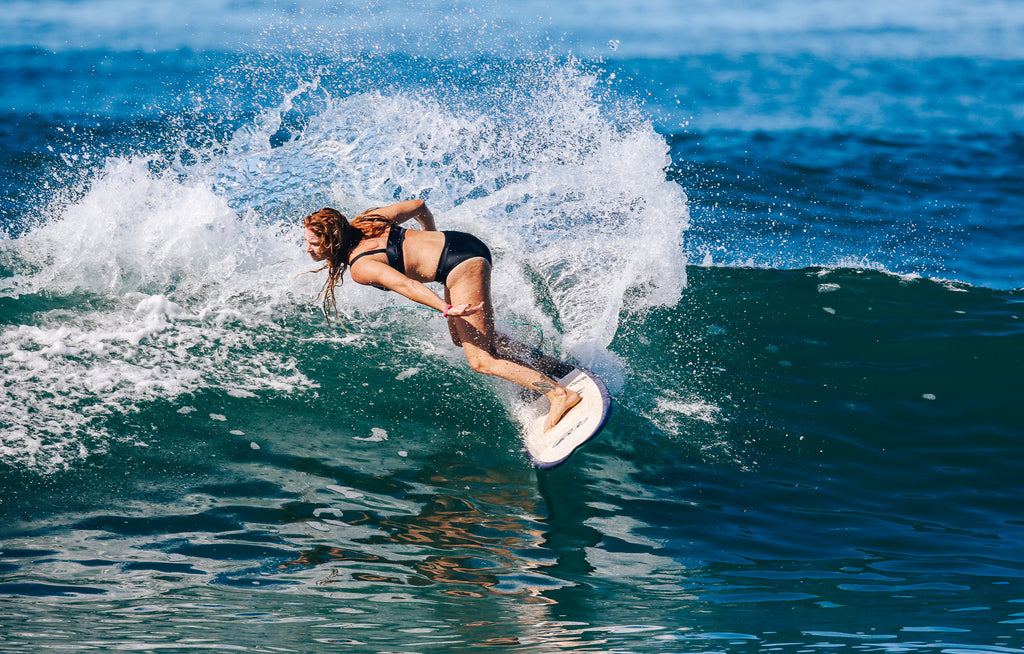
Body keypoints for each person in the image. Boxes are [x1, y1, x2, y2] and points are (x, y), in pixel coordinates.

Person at [302, 200, 581, 431]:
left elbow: (406, 285)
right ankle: (547, 363)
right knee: (465, 338)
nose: (308, 249)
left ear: (331, 242)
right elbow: (418, 205)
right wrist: (432, 236)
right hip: (463, 244)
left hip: (461, 266)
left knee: (481, 360)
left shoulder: (361, 267)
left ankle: (558, 393)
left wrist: (446, 308)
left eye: (314, 244)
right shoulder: (367, 221)